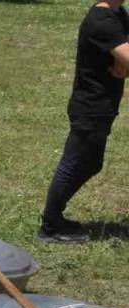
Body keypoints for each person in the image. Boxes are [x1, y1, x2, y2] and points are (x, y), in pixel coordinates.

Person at [40, 0, 129, 244]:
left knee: (91, 163)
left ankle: (54, 219)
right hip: (90, 107)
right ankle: (50, 226)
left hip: (103, 105)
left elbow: (124, 63)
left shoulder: (119, 14)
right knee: (75, 164)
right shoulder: (101, 21)